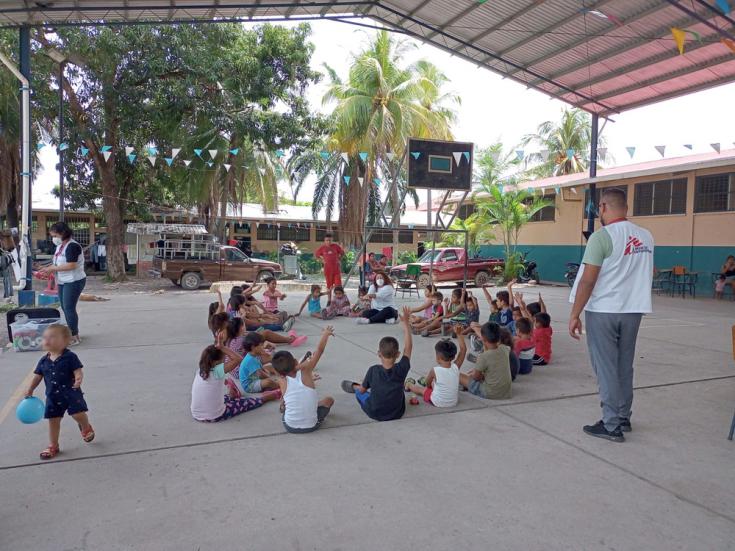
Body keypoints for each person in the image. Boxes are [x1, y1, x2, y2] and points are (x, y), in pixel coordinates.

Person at [569, 187, 654, 443]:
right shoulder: (646, 237)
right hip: (633, 310)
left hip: (605, 311)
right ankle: (623, 416)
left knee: (606, 367)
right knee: (623, 365)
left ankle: (611, 424)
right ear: (625, 207)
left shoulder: (601, 237)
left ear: (603, 207)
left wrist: (575, 314)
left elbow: (587, 281)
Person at [24, 324, 95, 460]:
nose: (47, 340)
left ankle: (85, 426)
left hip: (71, 393)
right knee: (53, 420)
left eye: (52, 337)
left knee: (78, 414)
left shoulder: (70, 357)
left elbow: (77, 370)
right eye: (45, 337)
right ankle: (53, 445)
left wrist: (79, 378)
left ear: (65, 341)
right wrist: (30, 388)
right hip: (52, 396)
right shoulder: (43, 360)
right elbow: (38, 376)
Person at [341, 306, 413, 421]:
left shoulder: (373, 370)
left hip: (375, 412)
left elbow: (364, 391)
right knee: (400, 392)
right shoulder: (401, 368)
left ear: (379, 354)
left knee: (361, 392)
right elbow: (408, 348)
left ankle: (354, 386)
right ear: (398, 354)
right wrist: (406, 326)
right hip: (396, 413)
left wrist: (362, 388)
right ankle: (366, 386)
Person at [191, 339, 279, 423]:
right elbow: (239, 359)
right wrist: (222, 348)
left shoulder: (200, 371)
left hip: (196, 414)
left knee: (225, 397)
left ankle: (232, 393)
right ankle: (268, 397)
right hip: (214, 415)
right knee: (246, 402)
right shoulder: (217, 371)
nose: (225, 361)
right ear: (216, 362)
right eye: (224, 359)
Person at [273, 326, 336, 433]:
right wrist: (325, 334)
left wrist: (298, 366)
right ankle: (310, 409)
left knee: (286, 400)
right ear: (295, 361)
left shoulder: (281, 380)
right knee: (329, 400)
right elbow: (319, 351)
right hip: (311, 426)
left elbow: (283, 375)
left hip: (290, 426)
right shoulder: (306, 371)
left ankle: (286, 408)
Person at [39, 222, 86, 345]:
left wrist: (52, 269)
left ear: (63, 233)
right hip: (62, 280)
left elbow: (72, 265)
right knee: (65, 307)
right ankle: (72, 332)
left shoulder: (72, 246)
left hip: (74, 280)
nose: (53, 238)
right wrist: (47, 269)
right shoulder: (60, 247)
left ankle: (75, 336)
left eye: (55, 235)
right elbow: (57, 263)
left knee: (69, 308)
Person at [404, 333, 466, 408]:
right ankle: (433, 385)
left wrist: (429, 388)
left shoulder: (435, 370)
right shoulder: (456, 367)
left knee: (422, 390)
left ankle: (408, 385)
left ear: (438, 357)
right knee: (436, 383)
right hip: (453, 402)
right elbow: (463, 350)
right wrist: (459, 334)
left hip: (437, 402)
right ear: (453, 357)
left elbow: (427, 383)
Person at [459, 322, 512, 400]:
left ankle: (465, 386)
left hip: (489, 393)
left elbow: (476, 378)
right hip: (506, 392)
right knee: (477, 371)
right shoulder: (505, 348)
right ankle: (465, 385)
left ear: (482, 339)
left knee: (458, 375)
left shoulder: (483, 357)